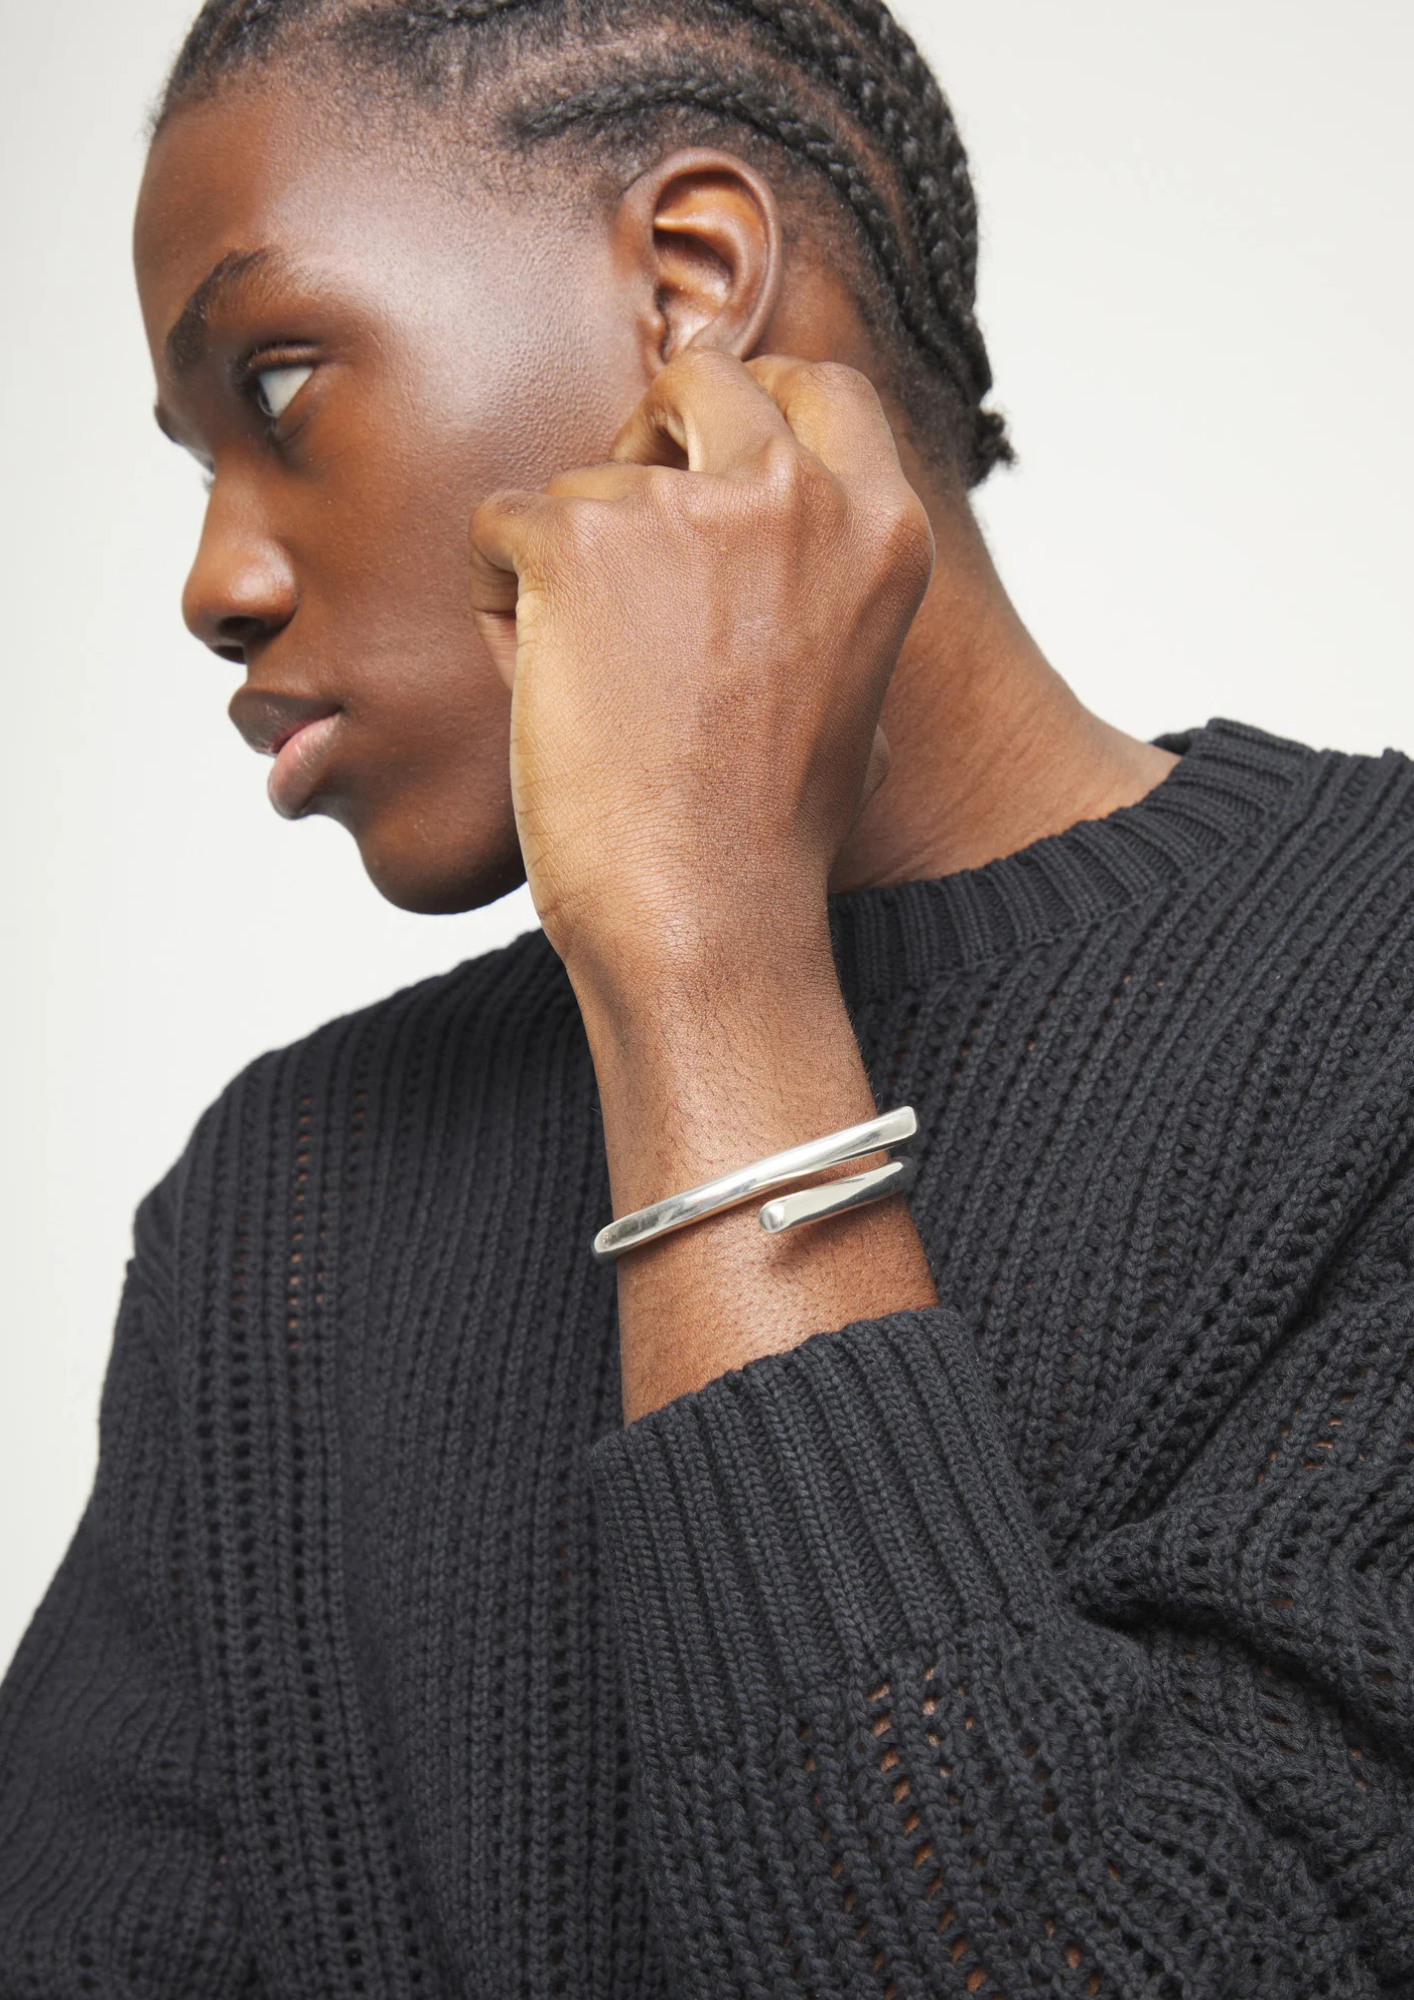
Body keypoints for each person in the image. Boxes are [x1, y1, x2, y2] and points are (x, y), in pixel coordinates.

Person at [2, 0, 1412, 1991]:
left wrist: (707, 964)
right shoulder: (277, 1214)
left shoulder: (1375, 1004)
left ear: (687, 289)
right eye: (191, 458)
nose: (213, 583)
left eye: (281, 383)